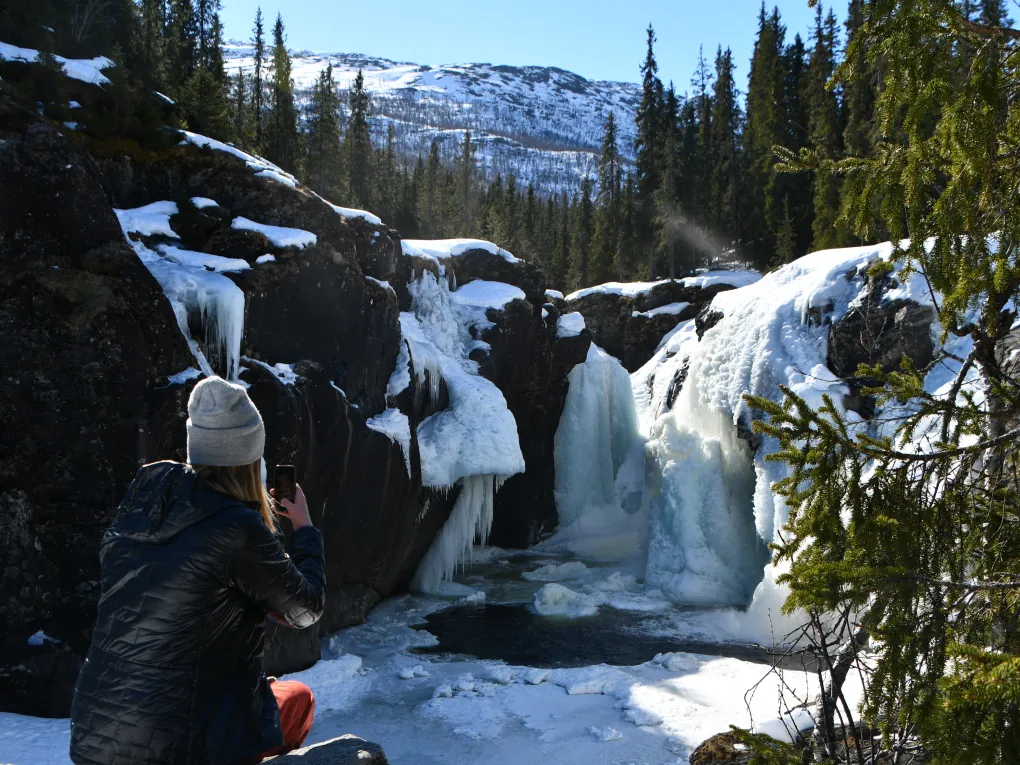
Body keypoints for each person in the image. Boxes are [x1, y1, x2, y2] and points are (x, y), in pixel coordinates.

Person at [69, 376, 326, 765]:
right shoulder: (235, 528)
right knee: (297, 700)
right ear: (249, 459)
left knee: (256, 696)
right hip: (181, 751)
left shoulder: (139, 510)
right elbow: (305, 608)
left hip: (95, 741)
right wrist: (305, 529)